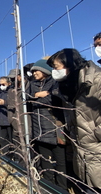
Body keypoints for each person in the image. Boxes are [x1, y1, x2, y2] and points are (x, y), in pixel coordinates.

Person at [47, 48, 101, 193]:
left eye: (56, 67)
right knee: (87, 184)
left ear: (69, 64)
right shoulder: (67, 86)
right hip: (81, 147)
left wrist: (95, 135)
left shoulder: (96, 80)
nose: (54, 71)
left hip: (96, 145)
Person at [28, 59, 67, 190]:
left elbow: (55, 98)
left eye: (36, 71)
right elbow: (28, 99)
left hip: (56, 128)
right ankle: (49, 186)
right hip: (39, 128)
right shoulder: (32, 85)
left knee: (60, 160)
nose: (34, 74)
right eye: (33, 72)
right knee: (45, 160)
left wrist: (39, 97)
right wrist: (38, 95)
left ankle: (62, 188)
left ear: (44, 70)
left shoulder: (54, 82)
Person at [0, 76, 12, 157]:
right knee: (3, 139)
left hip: (10, 120)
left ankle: (15, 156)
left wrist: (5, 103)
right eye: (0, 84)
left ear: (9, 83)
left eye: (3, 84)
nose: (1, 86)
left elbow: (15, 103)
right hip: (0, 119)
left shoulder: (12, 91)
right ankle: (6, 156)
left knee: (12, 140)